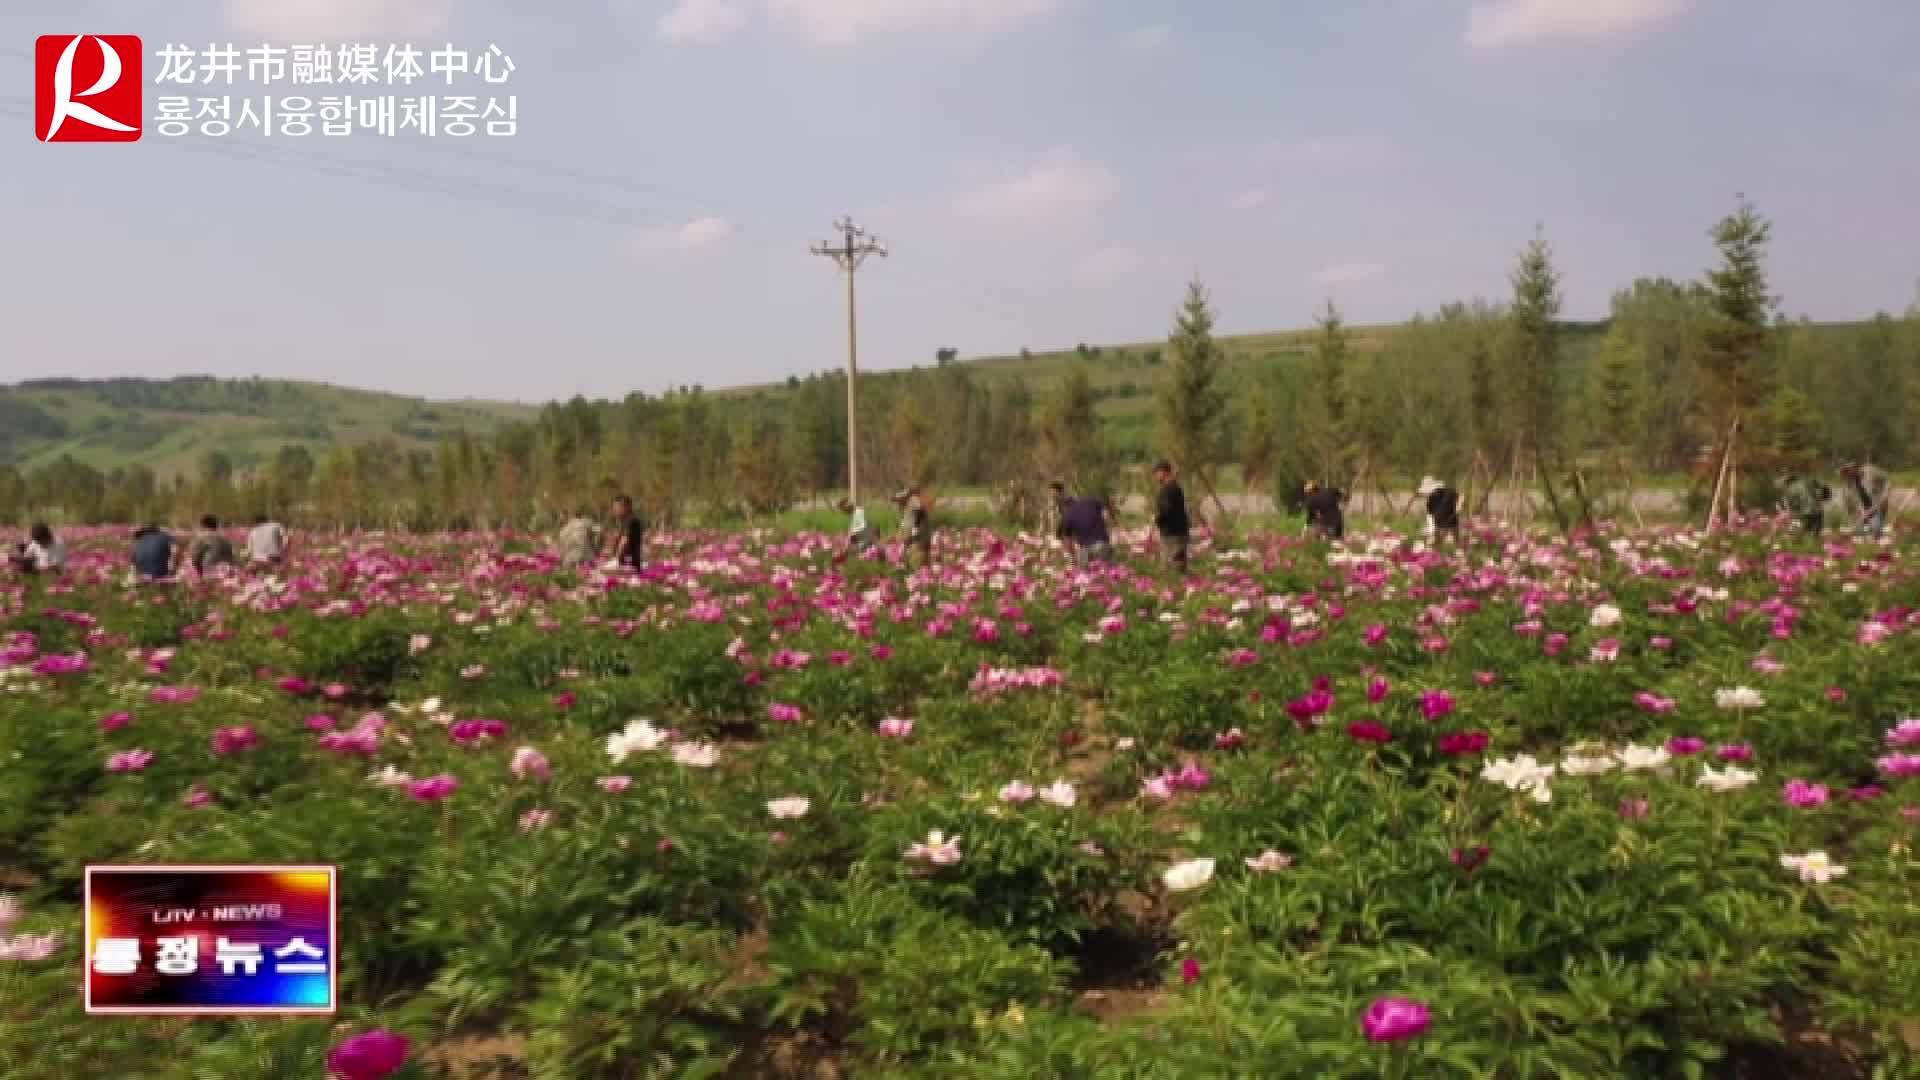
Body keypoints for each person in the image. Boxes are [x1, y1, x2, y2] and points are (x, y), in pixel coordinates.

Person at [1151, 461, 1191, 572]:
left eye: (1156, 473)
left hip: (1172, 534)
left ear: (1163, 472)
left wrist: (1156, 518)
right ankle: (1180, 584)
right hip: (1179, 531)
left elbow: (1167, 510)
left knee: (1172, 566)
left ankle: (1175, 585)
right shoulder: (1174, 487)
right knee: (1179, 563)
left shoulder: (1168, 489)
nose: (1155, 477)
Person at [1839, 461, 1891, 539]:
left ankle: (1877, 529)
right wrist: (1859, 515)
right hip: (1864, 511)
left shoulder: (1870, 471)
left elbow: (1887, 480)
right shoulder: (1849, 485)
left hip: (1878, 505)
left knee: (1875, 530)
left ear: (1855, 469)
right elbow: (1851, 507)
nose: (1849, 476)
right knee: (1858, 532)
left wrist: (1885, 495)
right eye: (1847, 475)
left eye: (1849, 472)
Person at [1062, 493, 1114, 566]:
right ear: (1076, 500)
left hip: (1085, 548)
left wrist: (1073, 556)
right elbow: (1105, 510)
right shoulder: (1090, 501)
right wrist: (1107, 526)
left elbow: (1068, 541)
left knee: (1086, 574)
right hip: (1102, 543)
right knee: (1106, 571)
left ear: (1065, 507)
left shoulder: (1067, 516)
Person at [1779, 472, 1829, 537]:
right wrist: (1823, 498)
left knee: (1806, 534)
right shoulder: (1808, 482)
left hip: (1806, 513)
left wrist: (1794, 514)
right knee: (1816, 534)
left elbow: (1792, 504)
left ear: (1788, 482)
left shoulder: (1791, 489)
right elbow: (1823, 488)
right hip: (1818, 511)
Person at [605, 494, 646, 571]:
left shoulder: (631, 521)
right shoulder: (624, 522)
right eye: (614, 507)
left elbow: (625, 541)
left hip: (629, 564)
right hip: (625, 562)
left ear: (627, 507)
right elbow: (616, 539)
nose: (615, 510)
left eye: (618, 507)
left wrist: (616, 560)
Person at [894, 487, 932, 569]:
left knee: (919, 551)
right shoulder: (907, 506)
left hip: (919, 531)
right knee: (907, 548)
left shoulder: (914, 502)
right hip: (911, 529)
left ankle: (919, 566)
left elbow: (922, 509)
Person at [1417, 476, 1461, 546]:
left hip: (1449, 524)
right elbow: (1430, 517)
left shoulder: (1448, 495)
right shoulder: (1431, 502)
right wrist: (1430, 529)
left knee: (1452, 538)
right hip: (1440, 526)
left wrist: (1458, 506)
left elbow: (1460, 499)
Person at [1046, 480, 1072, 548]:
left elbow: (1067, 518)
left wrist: (1059, 533)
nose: (1051, 494)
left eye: (1052, 492)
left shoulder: (1066, 501)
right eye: (1050, 492)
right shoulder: (1059, 502)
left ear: (1057, 492)